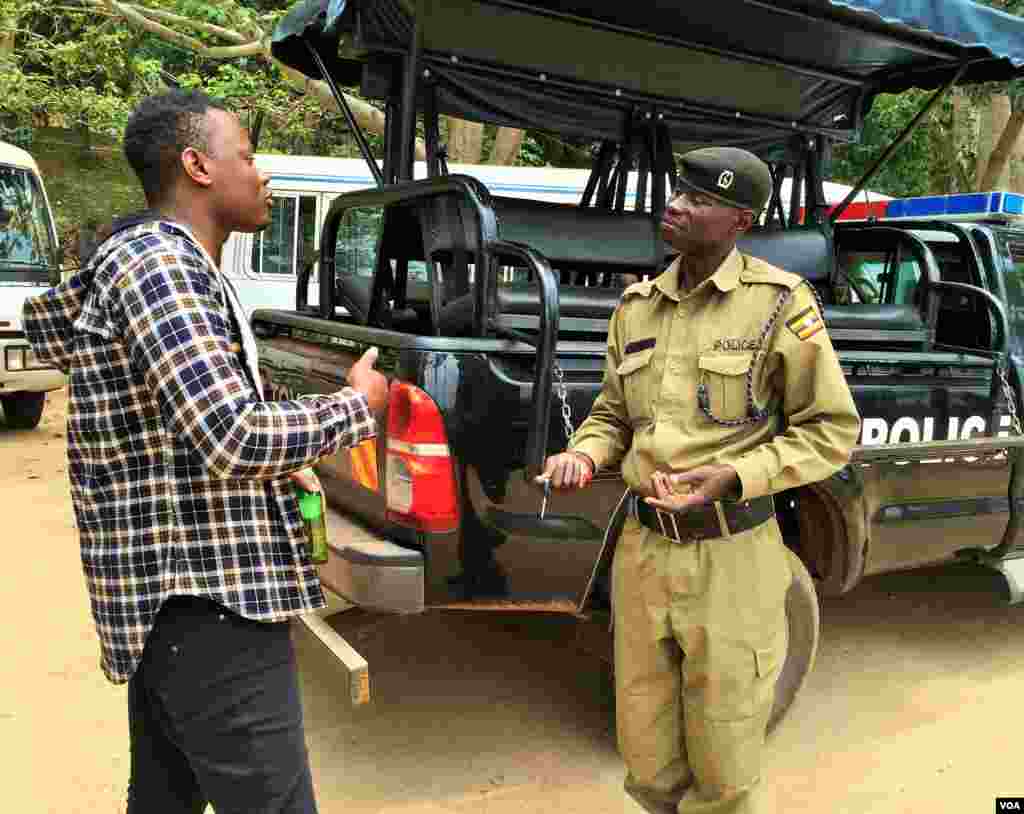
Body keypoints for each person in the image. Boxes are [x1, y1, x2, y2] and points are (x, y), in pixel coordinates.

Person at [22, 90, 388, 814]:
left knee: (163, 800)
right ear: (196, 165)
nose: (262, 173)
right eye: (247, 155)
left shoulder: (162, 265)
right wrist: (356, 408)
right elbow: (233, 435)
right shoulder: (162, 269)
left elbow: (205, 420)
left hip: (184, 607)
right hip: (209, 604)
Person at [538, 147, 860, 813]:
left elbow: (830, 429)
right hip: (644, 552)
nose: (676, 205)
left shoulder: (778, 305)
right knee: (647, 755)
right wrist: (585, 454)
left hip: (732, 558)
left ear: (740, 220)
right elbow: (610, 414)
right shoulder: (636, 306)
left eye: (699, 199)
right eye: (677, 192)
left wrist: (736, 476)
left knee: (725, 764)